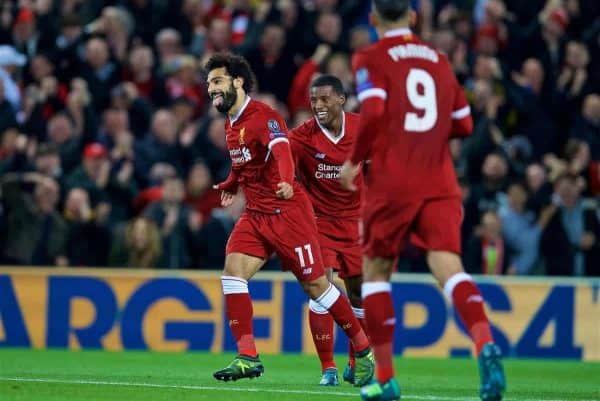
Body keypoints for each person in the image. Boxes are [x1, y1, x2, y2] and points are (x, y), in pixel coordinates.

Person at [339, 1, 506, 400]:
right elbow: (464, 123)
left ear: (374, 19)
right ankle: (484, 343)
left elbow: (375, 110)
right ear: (413, 18)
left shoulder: (372, 55)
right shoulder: (440, 60)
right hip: (440, 180)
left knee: (376, 271)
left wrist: (353, 160)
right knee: (449, 266)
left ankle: (386, 377)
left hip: (393, 180)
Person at [204, 53, 374, 385]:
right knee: (232, 275)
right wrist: (231, 182)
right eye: (209, 83)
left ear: (238, 81)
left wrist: (285, 179)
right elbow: (246, 162)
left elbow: (280, 148)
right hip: (256, 214)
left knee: (317, 288)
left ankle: (364, 349)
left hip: (287, 214)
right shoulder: (232, 124)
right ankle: (248, 355)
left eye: (217, 81)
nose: (211, 89)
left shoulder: (264, 116)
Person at [289, 74, 366, 386]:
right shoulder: (302, 137)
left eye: (324, 99)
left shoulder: (363, 129)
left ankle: (354, 363)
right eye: (313, 100)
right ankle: (328, 368)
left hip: (357, 223)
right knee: (322, 288)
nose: (317, 105)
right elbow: (280, 160)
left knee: (360, 295)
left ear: (341, 99)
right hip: (318, 222)